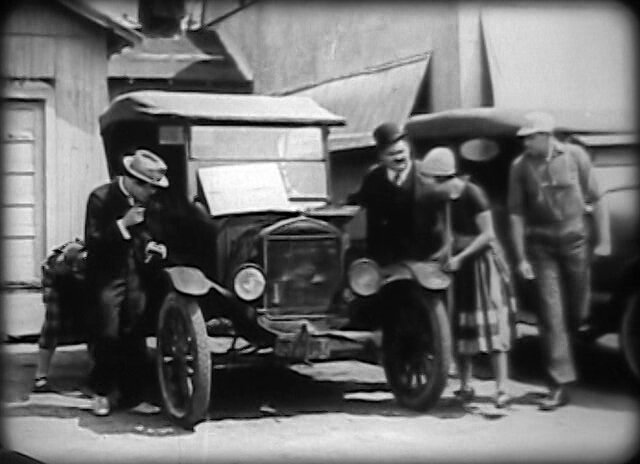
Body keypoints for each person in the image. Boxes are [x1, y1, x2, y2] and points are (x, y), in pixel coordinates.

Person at [508, 111, 611, 411]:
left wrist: (604, 240)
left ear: (546, 136)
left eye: (531, 138)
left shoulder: (575, 156)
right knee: (551, 314)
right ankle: (558, 383)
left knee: (577, 311)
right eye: (524, 138)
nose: (526, 143)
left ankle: (572, 349)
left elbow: (597, 198)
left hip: (575, 241)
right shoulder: (519, 167)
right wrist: (521, 257)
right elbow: (515, 213)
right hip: (541, 247)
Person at [418, 147, 516, 408]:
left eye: (430, 180)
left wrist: (461, 257)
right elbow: (450, 235)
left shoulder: (473, 194)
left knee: (492, 325)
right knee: (460, 326)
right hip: (459, 267)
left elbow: (488, 235)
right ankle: (464, 385)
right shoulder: (443, 200)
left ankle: (502, 388)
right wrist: (443, 254)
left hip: (482, 264)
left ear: (442, 178)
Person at [84, 148, 170, 416]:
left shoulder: (145, 201)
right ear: (134, 182)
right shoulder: (100, 198)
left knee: (134, 333)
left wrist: (151, 245)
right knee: (107, 333)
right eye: (150, 187)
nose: (153, 193)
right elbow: (93, 241)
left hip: (133, 274)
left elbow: (143, 234)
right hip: (105, 275)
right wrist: (122, 224)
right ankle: (101, 393)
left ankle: (132, 397)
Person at [347, 122, 420, 265]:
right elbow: (357, 202)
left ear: (409, 149)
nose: (398, 158)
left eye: (401, 152)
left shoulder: (424, 175)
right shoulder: (373, 178)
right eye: (391, 154)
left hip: (419, 258)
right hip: (383, 258)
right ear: (381, 156)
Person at [32, 239, 88, 393]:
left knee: (95, 321)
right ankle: (40, 377)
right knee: (53, 325)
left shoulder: (89, 258)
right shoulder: (55, 264)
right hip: (56, 282)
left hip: (86, 281)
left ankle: (97, 373)